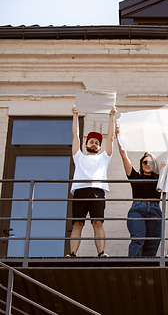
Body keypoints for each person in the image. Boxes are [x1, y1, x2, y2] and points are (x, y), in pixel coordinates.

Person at [67, 104, 116, 258]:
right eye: (91, 141)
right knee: (77, 224)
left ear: (100, 148)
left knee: (97, 222)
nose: (94, 143)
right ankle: (73, 253)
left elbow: (111, 138)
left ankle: (101, 253)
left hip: (97, 191)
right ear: (85, 145)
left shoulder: (104, 158)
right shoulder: (79, 156)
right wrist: (75, 115)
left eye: (97, 142)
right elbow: (75, 136)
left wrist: (111, 116)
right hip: (80, 191)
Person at [116, 126, 162, 257]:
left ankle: (148, 267)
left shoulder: (160, 179)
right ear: (141, 164)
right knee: (138, 238)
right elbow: (124, 156)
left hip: (155, 210)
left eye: (151, 162)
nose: (148, 164)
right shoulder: (135, 176)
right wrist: (119, 137)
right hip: (138, 209)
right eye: (145, 162)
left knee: (153, 241)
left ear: (154, 165)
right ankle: (134, 266)